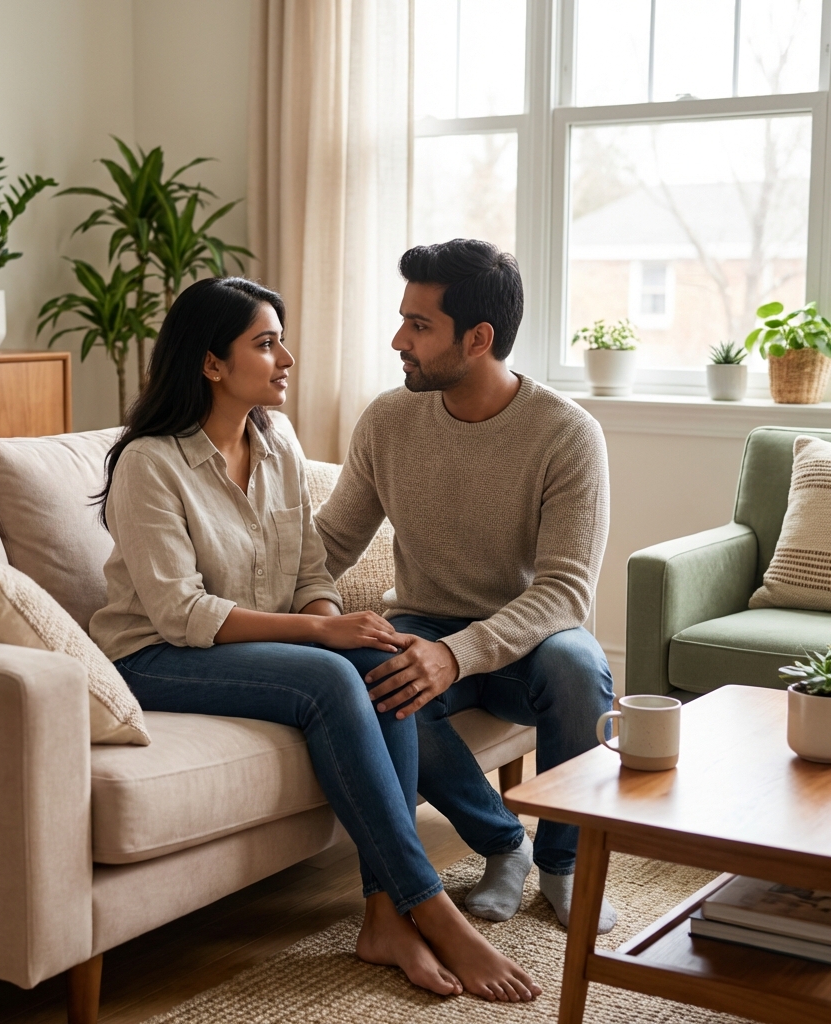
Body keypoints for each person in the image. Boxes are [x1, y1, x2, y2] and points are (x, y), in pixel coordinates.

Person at [88, 276, 542, 1002]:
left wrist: (337, 620)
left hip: (252, 646)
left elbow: (309, 568)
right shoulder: (150, 463)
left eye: (281, 340)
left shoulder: (277, 444)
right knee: (335, 676)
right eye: (265, 344)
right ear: (211, 364)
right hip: (155, 657)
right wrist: (320, 631)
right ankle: (430, 907)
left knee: (381, 654)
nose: (286, 358)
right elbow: (179, 612)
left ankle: (381, 916)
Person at [315, 239, 617, 934]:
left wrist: (460, 653)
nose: (399, 341)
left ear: (478, 338)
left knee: (581, 667)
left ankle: (565, 865)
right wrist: (252, 609)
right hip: (424, 618)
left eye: (419, 326)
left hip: (528, 639)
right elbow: (329, 543)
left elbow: (565, 592)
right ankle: (504, 844)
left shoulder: (567, 434)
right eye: (403, 320)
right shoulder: (388, 420)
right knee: (381, 678)